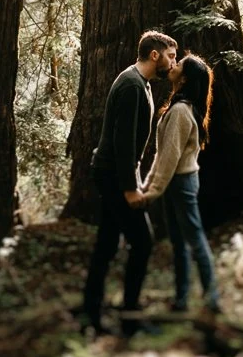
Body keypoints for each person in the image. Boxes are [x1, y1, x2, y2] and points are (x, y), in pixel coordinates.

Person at [81, 29, 177, 333]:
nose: (173, 64)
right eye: (171, 56)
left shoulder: (142, 84)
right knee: (143, 241)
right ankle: (129, 318)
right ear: (154, 54)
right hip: (113, 175)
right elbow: (123, 143)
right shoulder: (132, 85)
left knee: (107, 243)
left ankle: (93, 315)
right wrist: (130, 188)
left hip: (115, 172)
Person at [133, 53, 220, 313]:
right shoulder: (180, 106)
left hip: (181, 183)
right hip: (176, 182)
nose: (173, 64)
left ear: (184, 78)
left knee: (195, 240)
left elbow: (169, 158)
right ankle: (182, 300)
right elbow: (163, 157)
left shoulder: (181, 111)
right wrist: (149, 185)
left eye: (179, 64)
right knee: (180, 243)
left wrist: (151, 192)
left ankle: (212, 300)